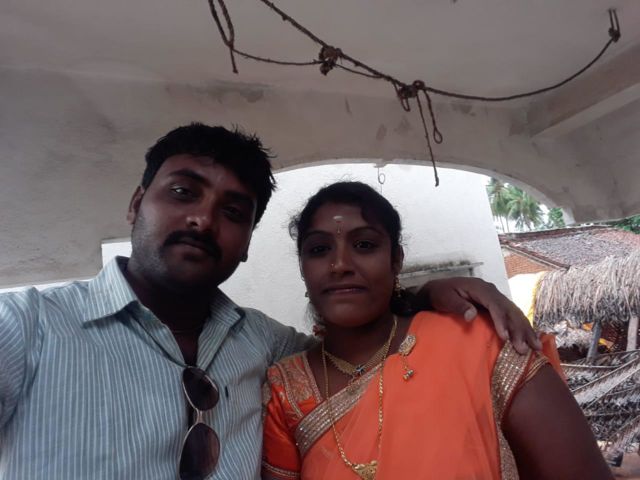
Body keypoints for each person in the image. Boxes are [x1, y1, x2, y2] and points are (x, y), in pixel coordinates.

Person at [1, 124, 538, 480]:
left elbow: (361, 340)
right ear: (137, 203)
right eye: (183, 193)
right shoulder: (27, 328)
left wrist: (426, 293)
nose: (203, 219)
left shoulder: (265, 346)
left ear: (247, 243)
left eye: (233, 212)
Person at [262, 181, 612, 480]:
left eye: (364, 245)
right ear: (303, 268)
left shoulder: (479, 341)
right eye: (319, 249)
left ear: (396, 260)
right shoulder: (286, 390)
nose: (340, 265)